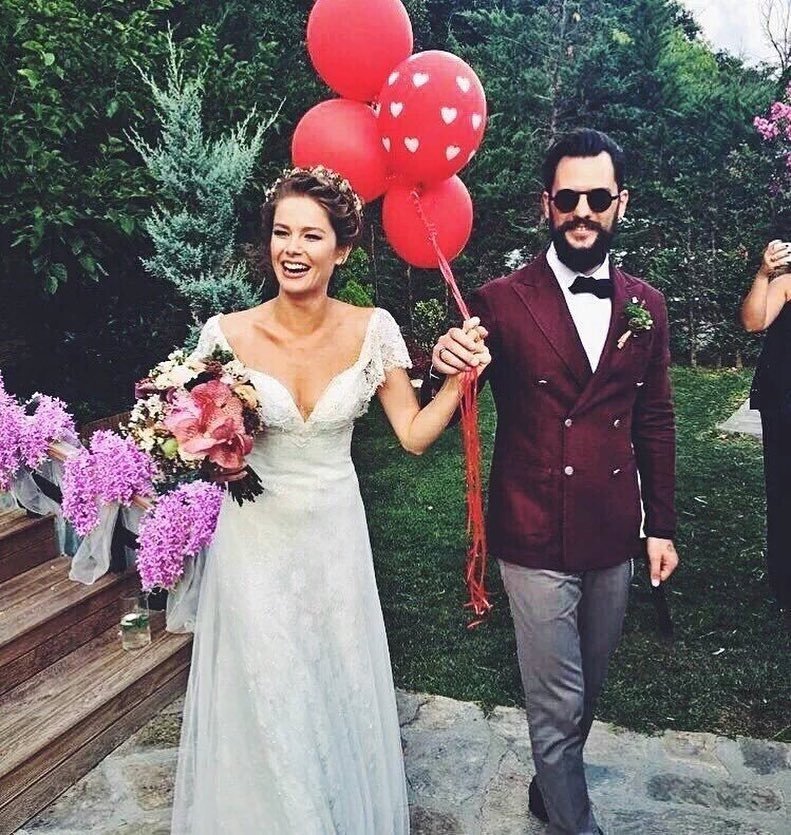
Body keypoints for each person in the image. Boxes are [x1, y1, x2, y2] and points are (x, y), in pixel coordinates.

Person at [169, 165, 490, 834]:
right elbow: (195, 434)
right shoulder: (224, 336)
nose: (292, 248)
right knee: (267, 687)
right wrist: (210, 443)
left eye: (311, 235)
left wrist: (458, 383)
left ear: (341, 250)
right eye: (282, 232)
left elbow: (411, 435)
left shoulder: (373, 329)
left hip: (334, 539)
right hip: (254, 541)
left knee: (330, 679)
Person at [427, 129, 678, 835]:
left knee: (587, 688)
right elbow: (449, 395)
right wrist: (441, 359)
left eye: (597, 197)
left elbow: (656, 419)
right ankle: (575, 822)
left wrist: (660, 526)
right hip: (531, 525)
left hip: (612, 528)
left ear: (620, 203)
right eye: (568, 198)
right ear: (546, 204)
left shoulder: (647, 305)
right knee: (558, 700)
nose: (582, 211)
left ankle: (549, 786)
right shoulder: (500, 299)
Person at [741, 239, 791, 615]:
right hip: (784, 401)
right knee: (784, 492)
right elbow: (753, 322)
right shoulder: (787, 282)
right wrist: (763, 274)